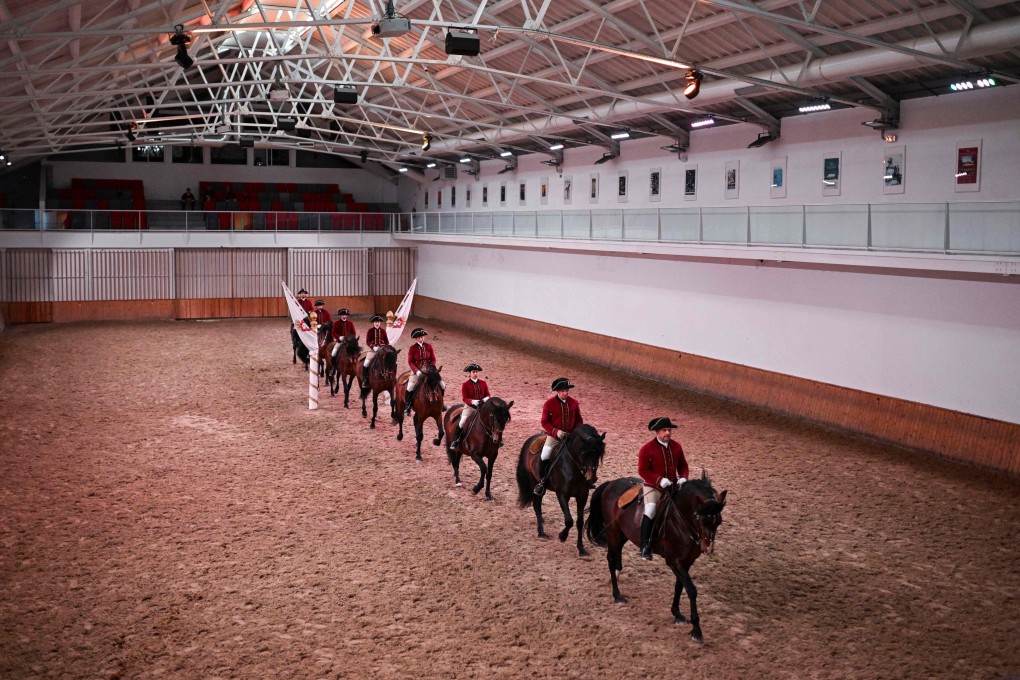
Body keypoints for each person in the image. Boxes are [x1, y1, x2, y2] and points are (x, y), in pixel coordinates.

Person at [637, 417, 690, 561]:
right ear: (657, 432)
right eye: (664, 430)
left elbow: (683, 465)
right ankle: (645, 546)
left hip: (674, 486)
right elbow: (643, 471)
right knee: (651, 510)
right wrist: (659, 480)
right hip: (653, 487)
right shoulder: (646, 449)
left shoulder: (677, 446)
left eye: (669, 430)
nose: (668, 433)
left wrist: (683, 477)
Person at [536, 377, 584, 494]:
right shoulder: (549, 404)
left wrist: (574, 432)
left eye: (567, 391)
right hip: (554, 437)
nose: (565, 393)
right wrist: (556, 432)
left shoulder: (574, 403)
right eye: (563, 391)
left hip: (571, 437)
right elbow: (544, 422)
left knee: (584, 452)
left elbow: (579, 420)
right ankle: (542, 482)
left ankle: (586, 479)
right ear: (557, 391)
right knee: (545, 454)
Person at [403, 328, 445, 415]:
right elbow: (410, 362)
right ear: (416, 339)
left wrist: (432, 367)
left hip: (430, 370)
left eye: (422, 337)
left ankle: (441, 403)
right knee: (410, 387)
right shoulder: (412, 348)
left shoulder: (429, 346)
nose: (420, 339)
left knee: (442, 385)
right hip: (417, 370)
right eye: (419, 337)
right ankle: (408, 406)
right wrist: (416, 371)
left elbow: (433, 359)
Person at [451, 363, 490, 449]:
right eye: (473, 372)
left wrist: (484, 399)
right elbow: (464, 398)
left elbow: (488, 394)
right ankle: (455, 440)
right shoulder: (465, 384)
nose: (475, 373)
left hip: (482, 407)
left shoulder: (483, 383)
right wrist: (473, 401)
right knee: (462, 422)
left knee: (491, 418)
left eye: (476, 372)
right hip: (470, 407)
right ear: (469, 373)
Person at [361, 315, 389, 389]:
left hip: (382, 350)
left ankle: (390, 377)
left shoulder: (383, 331)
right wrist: (373, 347)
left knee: (390, 361)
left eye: (378, 322)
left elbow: (386, 341)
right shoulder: (370, 331)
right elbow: (368, 341)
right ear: (373, 323)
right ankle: (365, 380)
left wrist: (385, 347)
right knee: (366, 363)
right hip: (373, 350)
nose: (377, 323)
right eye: (376, 322)